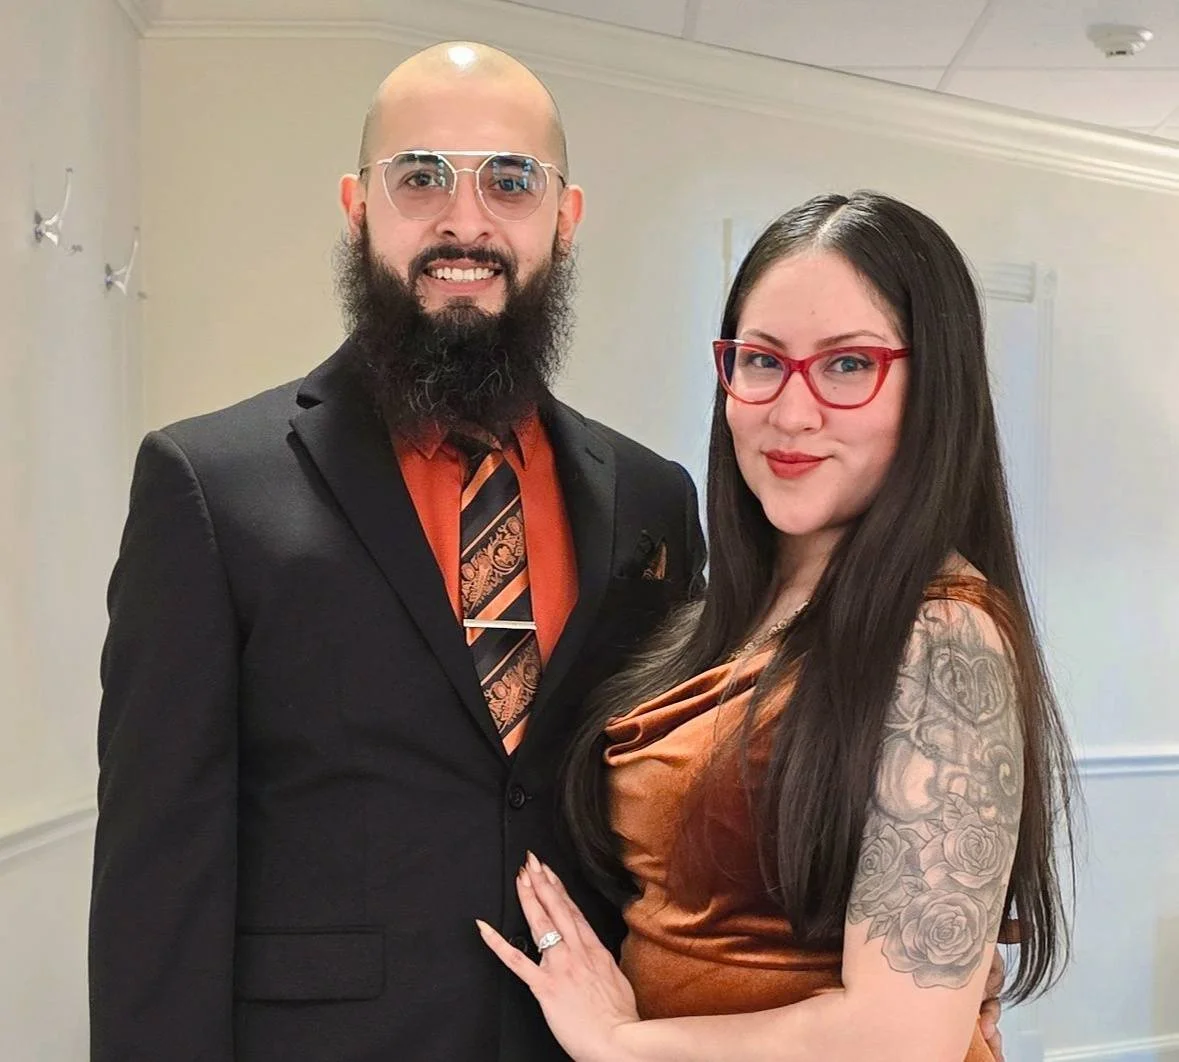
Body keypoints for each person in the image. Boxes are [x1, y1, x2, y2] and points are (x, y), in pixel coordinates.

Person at [89, 42, 707, 1062]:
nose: (465, 222)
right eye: (420, 177)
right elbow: (158, 876)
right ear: (358, 208)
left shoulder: (653, 499)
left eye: (511, 181)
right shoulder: (209, 486)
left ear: (565, 218)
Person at [479, 191, 1076, 1062]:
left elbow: (899, 1039)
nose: (791, 414)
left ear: (934, 390)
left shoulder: (943, 636)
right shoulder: (728, 610)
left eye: (848, 365)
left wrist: (616, 1043)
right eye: (761, 360)